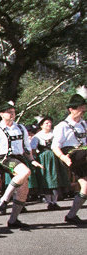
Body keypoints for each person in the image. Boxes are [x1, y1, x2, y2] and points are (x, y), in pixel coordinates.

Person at [0, 101, 43, 228]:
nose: (12, 114)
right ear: (1, 114)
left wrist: (32, 160)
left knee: (23, 190)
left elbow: (27, 148)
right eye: (9, 112)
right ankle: (3, 199)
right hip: (4, 159)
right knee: (25, 172)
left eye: (13, 112)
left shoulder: (21, 128)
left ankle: (13, 220)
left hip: (19, 159)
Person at [52, 87, 87, 225]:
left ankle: (71, 215)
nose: (83, 110)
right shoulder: (62, 126)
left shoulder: (84, 124)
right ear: (71, 109)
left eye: (83, 108)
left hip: (84, 156)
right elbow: (55, 146)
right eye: (80, 108)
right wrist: (63, 158)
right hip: (71, 155)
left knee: (85, 186)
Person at [32, 116, 68, 210]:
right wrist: (34, 159)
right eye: (46, 123)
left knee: (55, 177)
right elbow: (33, 149)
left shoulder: (54, 134)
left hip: (55, 157)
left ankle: (55, 201)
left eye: (50, 123)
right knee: (46, 180)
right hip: (43, 158)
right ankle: (49, 202)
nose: (49, 124)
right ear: (41, 125)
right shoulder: (37, 136)